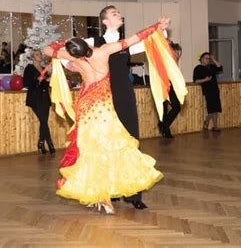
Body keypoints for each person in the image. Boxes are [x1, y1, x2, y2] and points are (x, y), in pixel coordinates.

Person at [43, 18, 169, 214]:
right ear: (87, 44)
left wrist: (62, 45)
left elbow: (46, 50)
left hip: (85, 107)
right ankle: (109, 193)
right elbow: (134, 39)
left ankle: (101, 196)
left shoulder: (73, 58)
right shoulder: (104, 51)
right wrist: (156, 26)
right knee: (111, 148)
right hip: (103, 108)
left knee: (91, 151)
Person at [89, 5, 147, 209]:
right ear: (105, 21)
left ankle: (134, 195)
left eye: (119, 13)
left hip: (124, 96)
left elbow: (150, 43)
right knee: (106, 144)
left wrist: (161, 29)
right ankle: (109, 191)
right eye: (114, 14)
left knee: (130, 142)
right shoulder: (94, 43)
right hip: (104, 99)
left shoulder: (125, 44)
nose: (119, 15)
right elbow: (69, 51)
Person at [23, 49, 55, 155]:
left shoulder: (43, 68)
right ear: (32, 57)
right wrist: (38, 80)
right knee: (43, 120)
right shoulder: (29, 68)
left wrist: (47, 81)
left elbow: (44, 85)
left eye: (40, 54)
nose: (40, 56)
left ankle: (42, 143)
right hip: (35, 98)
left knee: (44, 121)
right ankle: (47, 142)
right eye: (37, 54)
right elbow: (27, 83)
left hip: (45, 97)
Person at [193, 52, 223, 132]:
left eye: (208, 58)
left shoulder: (211, 67)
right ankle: (210, 125)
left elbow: (220, 68)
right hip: (207, 90)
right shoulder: (198, 68)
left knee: (215, 108)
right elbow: (196, 81)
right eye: (206, 58)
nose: (207, 60)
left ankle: (212, 125)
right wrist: (205, 80)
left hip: (215, 89)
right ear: (201, 59)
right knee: (212, 108)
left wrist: (213, 59)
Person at [158, 42, 183, 138]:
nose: (177, 53)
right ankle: (165, 129)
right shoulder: (165, 57)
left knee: (176, 107)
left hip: (170, 84)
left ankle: (163, 126)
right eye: (175, 51)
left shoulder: (175, 59)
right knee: (164, 109)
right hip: (162, 84)